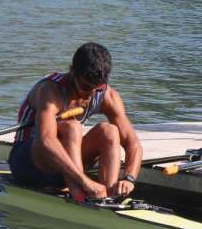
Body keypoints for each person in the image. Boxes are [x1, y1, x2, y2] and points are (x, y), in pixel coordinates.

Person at [8, 42, 143, 201]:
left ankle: (109, 197)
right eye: (85, 87)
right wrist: (85, 181)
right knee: (73, 127)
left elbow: (133, 144)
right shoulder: (50, 91)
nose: (90, 94)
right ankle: (79, 193)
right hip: (29, 164)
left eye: (97, 88)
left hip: (65, 169)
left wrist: (129, 178)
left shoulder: (108, 96)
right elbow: (46, 140)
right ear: (72, 71)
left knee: (109, 131)